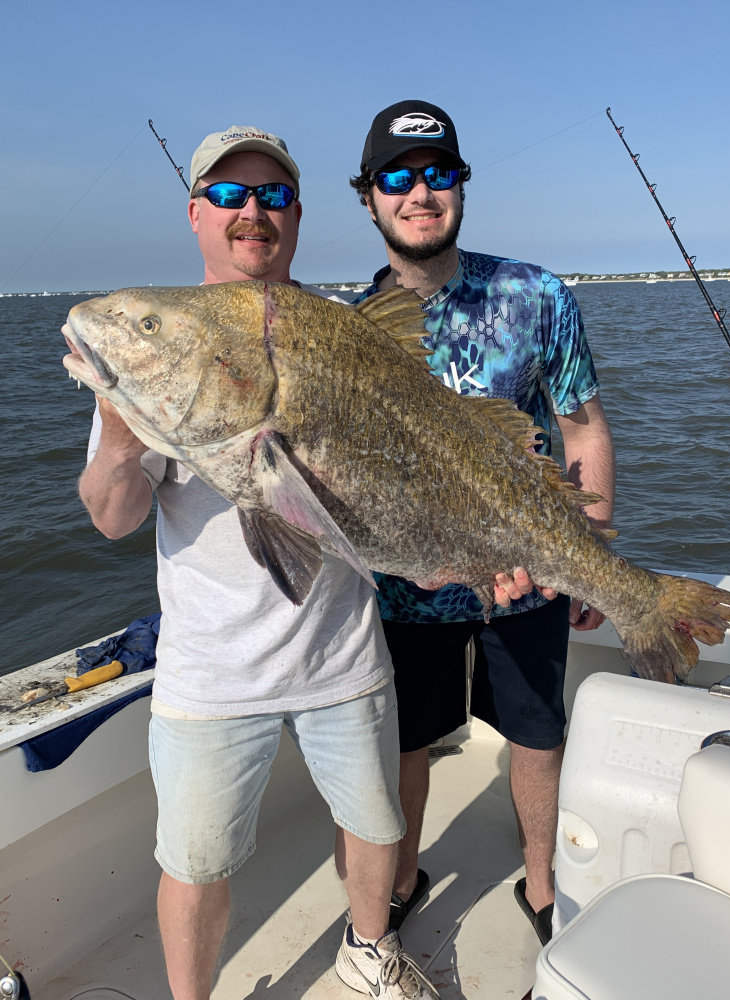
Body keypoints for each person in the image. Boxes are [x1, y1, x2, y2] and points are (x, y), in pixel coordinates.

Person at [76, 125, 439, 1000]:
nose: (252, 212)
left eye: (272, 196)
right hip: (210, 672)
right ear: (196, 214)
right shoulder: (165, 356)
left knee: (375, 823)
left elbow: (424, 471)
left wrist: (460, 551)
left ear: (297, 216)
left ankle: (368, 949)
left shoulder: (346, 331)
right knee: (195, 862)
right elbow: (114, 520)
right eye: (229, 195)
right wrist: (121, 441)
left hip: (342, 651)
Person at [350, 101, 616, 945]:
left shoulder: (537, 295)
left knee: (537, 734)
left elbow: (583, 430)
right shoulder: (348, 331)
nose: (419, 193)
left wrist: (589, 555)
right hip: (406, 585)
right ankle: (401, 877)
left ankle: (541, 883)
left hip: (528, 569)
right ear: (369, 197)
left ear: (461, 185)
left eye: (437, 173)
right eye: (397, 177)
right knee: (406, 742)